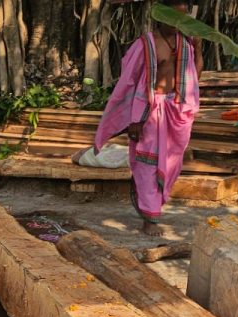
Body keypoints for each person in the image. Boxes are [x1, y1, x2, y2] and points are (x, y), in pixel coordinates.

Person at [90, 0, 202, 236]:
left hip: (177, 112)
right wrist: (135, 120)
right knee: (146, 165)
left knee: (172, 164)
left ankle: (153, 207)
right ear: (160, 16)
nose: (177, 22)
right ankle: (149, 218)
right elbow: (129, 82)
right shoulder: (145, 45)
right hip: (150, 112)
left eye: (182, 17)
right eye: (173, 17)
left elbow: (194, 76)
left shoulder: (186, 44)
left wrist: (199, 47)